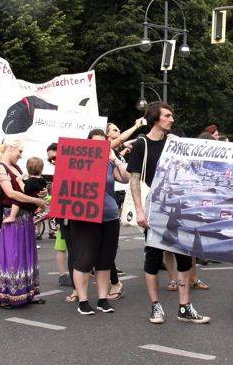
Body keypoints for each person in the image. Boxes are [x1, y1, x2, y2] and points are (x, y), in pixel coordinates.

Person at [128, 101, 209, 325]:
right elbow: (134, 180)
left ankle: (184, 307)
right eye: (167, 116)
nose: (172, 119)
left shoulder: (175, 143)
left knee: (184, 257)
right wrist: (139, 210)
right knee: (153, 258)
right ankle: (156, 306)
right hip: (154, 210)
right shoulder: (142, 144)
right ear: (155, 118)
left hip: (177, 208)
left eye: (172, 116)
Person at [70, 129, 129, 315]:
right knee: (84, 260)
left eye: (103, 142)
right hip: (86, 218)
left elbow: (126, 178)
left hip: (110, 216)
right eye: (95, 142)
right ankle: (83, 300)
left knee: (105, 260)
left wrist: (114, 159)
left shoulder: (109, 162)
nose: (99, 145)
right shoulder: (78, 163)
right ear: (87, 144)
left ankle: (103, 299)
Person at [0, 138, 45, 308]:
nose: (21, 156)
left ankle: (28, 292)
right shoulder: (0, 167)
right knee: (13, 255)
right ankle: (8, 295)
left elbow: (24, 190)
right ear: (10, 148)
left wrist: (38, 195)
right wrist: (36, 201)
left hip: (25, 216)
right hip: (11, 216)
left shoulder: (16, 167)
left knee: (27, 254)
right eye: (19, 151)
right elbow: (11, 193)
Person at [4, 156, 47, 224]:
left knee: (17, 199)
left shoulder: (30, 181)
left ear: (27, 169)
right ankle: (40, 210)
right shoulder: (42, 180)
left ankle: (12, 216)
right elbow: (43, 189)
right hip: (36, 204)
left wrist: (19, 181)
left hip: (28, 203)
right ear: (41, 170)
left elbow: (25, 189)